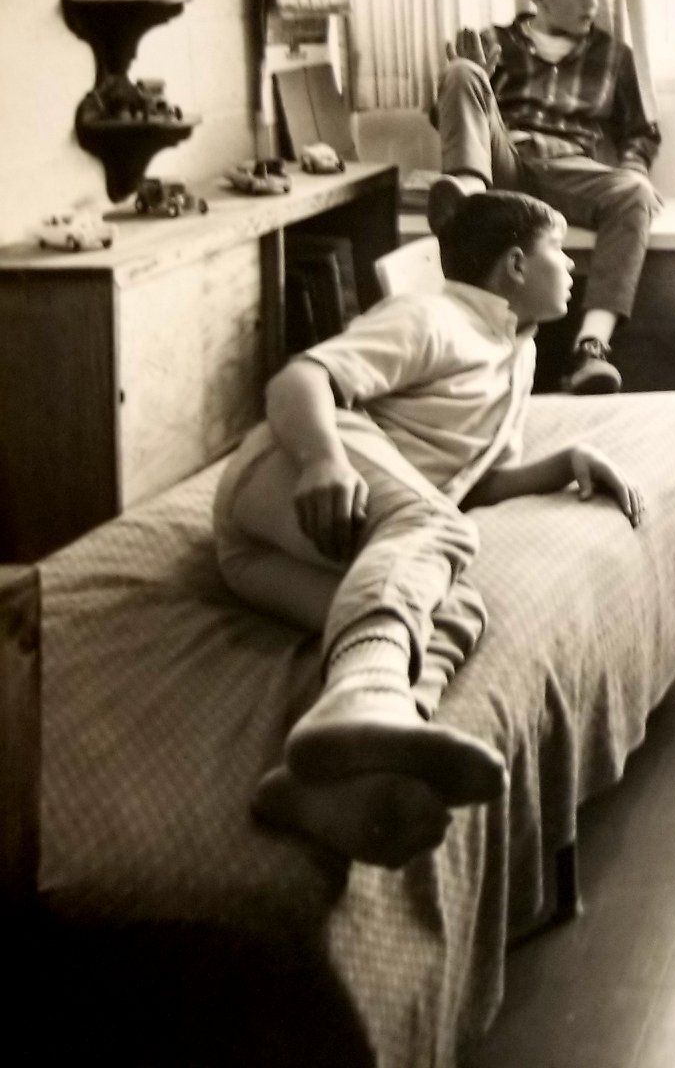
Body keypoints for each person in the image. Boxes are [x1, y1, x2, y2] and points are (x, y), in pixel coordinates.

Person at [213, 191, 642, 869]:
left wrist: (562, 464)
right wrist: (322, 458)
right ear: (515, 266)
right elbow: (301, 377)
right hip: (291, 478)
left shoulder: (516, 352)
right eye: (558, 251)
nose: (571, 268)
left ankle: (335, 783)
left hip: (291, 552)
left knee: (451, 604)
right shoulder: (432, 316)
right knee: (436, 531)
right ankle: (361, 707)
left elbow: (480, 481)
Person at [429, 0, 661, 395]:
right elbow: (447, 118)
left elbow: (640, 133)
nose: (592, 2)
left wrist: (632, 171)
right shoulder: (495, 42)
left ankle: (590, 350)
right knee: (459, 70)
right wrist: (479, 76)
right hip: (501, 165)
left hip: (566, 168)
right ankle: (469, 203)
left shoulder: (614, 56)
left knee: (636, 192)